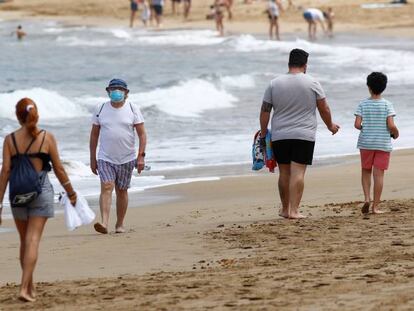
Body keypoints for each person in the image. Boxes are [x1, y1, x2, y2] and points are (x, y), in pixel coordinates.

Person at [0, 98, 77, 302]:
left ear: (18, 117)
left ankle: (29, 286)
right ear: (36, 114)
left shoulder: (10, 140)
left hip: (17, 193)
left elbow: (6, 171)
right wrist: (70, 192)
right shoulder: (46, 137)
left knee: (24, 241)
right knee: (33, 240)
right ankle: (25, 288)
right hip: (41, 192)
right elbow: (59, 169)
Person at [259, 49, 340, 219]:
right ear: (305, 65)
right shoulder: (312, 83)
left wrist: (264, 132)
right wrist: (330, 126)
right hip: (304, 134)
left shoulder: (274, 83)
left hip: (280, 135)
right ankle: (294, 211)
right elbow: (323, 108)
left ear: (289, 63)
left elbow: (265, 111)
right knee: (298, 173)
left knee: (284, 173)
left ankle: (285, 209)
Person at [90, 79, 147, 234]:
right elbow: (94, 136)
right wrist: (92, 158)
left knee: (122, 190)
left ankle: (119, 224)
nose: (116, 91)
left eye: (120, 89)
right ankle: (104, 223)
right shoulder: (101, 108)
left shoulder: (133, 109)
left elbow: (142, 134)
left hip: (127, 158)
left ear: (126, 92)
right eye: (113, 89)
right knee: (107, 186)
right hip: (105, 157)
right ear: (108, 91)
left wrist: (140, 156)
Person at [354, 72, 399, 214]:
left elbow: (357, 124)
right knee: (378, 175)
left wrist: (364, 128)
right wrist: (395, 133)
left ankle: (367, 198)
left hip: (366, 143)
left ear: (369, 87)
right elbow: (391, 125)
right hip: (382, 144)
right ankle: (375, 207)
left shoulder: (363, 104)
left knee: (366, 171)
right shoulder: (387, 105)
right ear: (384, 87)